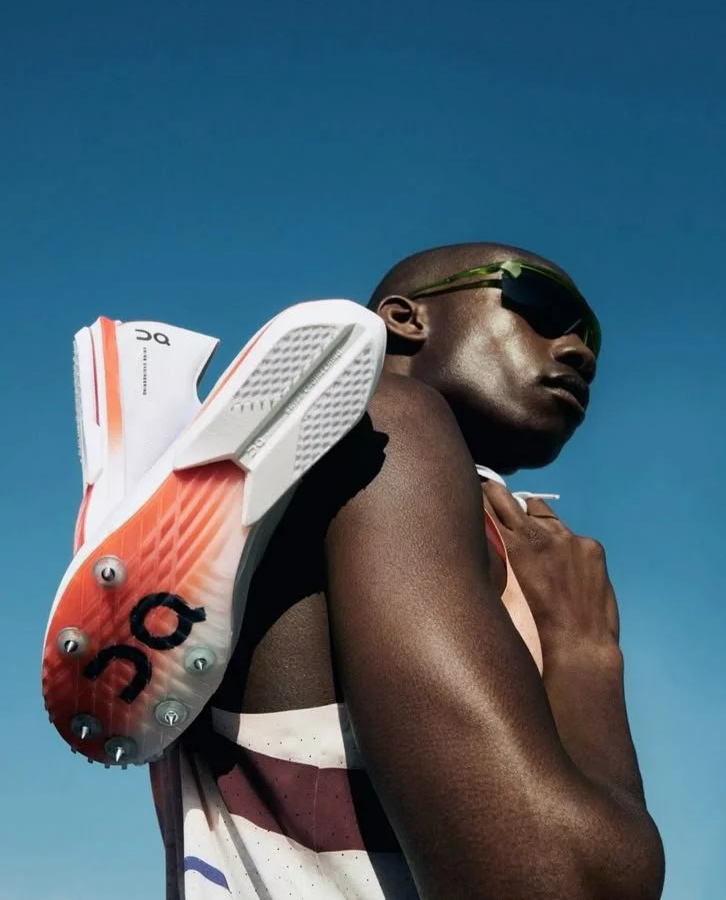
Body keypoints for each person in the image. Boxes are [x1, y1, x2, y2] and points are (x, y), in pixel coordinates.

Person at [156, 241, 664, 900]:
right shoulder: (387, 429)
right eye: (538, 304)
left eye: (589, 336)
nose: (579, 350)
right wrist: (586, 649)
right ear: (405, 318)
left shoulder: (430, 505)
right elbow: (561, 884)